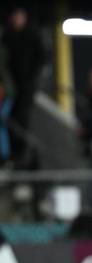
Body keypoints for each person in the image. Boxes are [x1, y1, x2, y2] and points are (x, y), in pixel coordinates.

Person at [1, 7, 44, 168]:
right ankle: (10, 155)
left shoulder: (31, 36)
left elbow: (41, 58)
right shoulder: (8, 36)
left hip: (24, 88)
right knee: (9, 121)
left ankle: (20, 154)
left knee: (21, 120)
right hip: (11, 90)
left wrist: (31, 77)